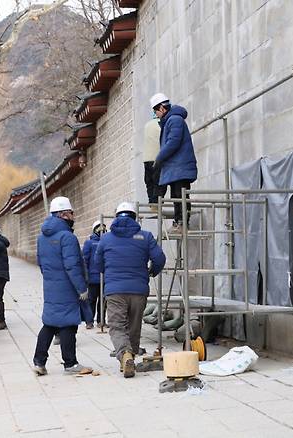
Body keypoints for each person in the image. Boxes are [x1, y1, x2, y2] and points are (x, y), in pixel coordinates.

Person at [95, 202, 165, 378]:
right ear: (135, 217)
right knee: (134, 326)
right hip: (139, 289)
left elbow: (97, 263)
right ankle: (130, 357)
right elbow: (159, 259)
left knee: (117, 326)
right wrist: (151, 272)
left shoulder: (106, 238)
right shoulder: (146, 236)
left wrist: (109, 272)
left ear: (116, 216)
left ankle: (124, 355)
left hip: (115, 290)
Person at [32, 196, 92, 376]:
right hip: (67, 288)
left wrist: (51, 279)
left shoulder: (42, 237)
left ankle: (39, 362)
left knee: (49, 324)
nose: (73, 216)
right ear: (64, 214)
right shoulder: (67, 237)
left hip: (50, 286)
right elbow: (72, 266)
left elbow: (40, 263)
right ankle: (70, 364)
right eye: (71, 213)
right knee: (68, 324)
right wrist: (81, 288)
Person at [150, 93, 198, 230]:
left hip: (180, 167)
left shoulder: (174, 120)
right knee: (176, 196)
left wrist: (159, 157)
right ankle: (178, 222)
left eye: (155, 111)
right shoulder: (170, 120)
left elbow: (173, 142)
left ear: (162, 108)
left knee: (181, 196)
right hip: (176, 168)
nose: (156, 115)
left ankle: (182, 222)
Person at [82, 220, 105, 328]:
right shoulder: (89, 243)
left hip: (104, 278)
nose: (102, 230)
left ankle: (101, 320)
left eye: (103, 228)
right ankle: (89, 321)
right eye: (99, 228)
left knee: (103, 301)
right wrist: (85, 275)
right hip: (93, 278)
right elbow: (85, 260)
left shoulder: (106, 242)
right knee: (91, 300)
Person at [142, 117, 166, 208]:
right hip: (157, 157)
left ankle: (151, 203)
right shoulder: (162, 123)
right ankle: (157, 204)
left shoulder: (147, 125)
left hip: (146, 158)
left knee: (149, 182)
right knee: (159, 182)